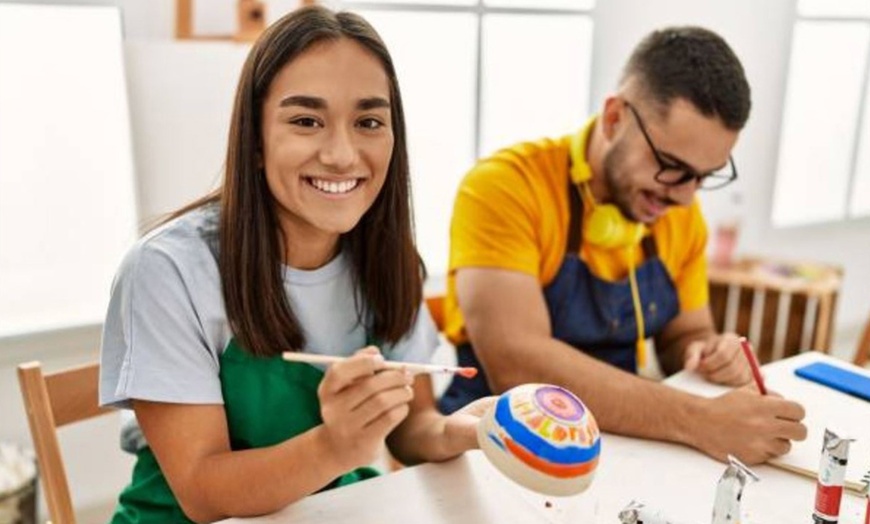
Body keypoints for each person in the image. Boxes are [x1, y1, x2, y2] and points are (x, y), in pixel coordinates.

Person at [99, 6, 492, 523]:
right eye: (306, 121)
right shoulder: (167, 271)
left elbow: (411, 427)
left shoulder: (390, 263)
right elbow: (202, 492)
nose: (342, 154)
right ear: (255, 141)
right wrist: (335, 446)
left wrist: (471, 429)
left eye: (369, 121)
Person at [438, 26, 807, 465]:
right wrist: (700, 420)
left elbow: (686, 333)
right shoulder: (503, 188)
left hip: (618, 441)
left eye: (703, 177)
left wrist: (709, 352)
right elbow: (519, 363)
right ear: (614, 118)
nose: (685, 197)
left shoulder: (679, 213)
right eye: (671, 166)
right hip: (495, 447)